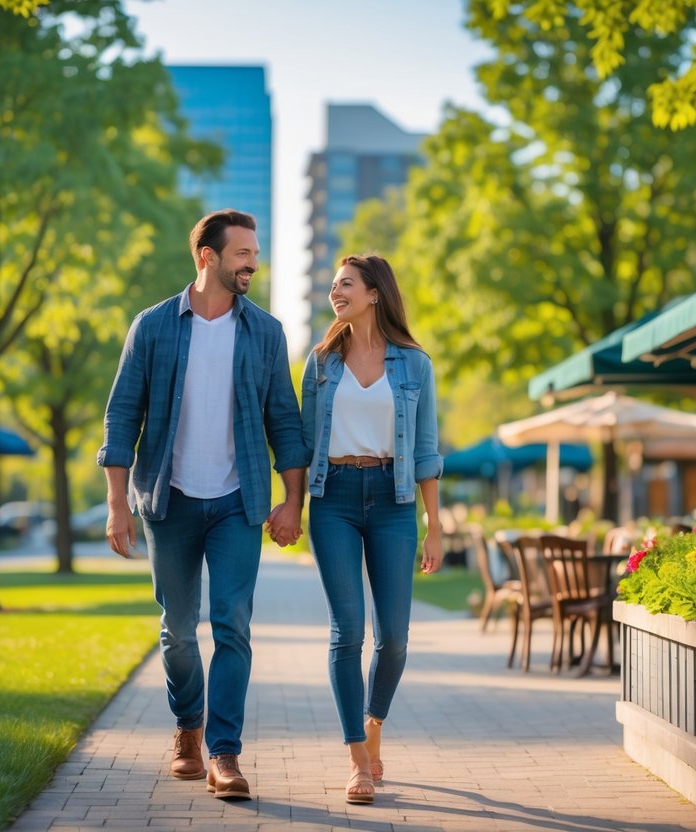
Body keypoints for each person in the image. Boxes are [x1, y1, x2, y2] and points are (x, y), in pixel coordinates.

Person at [98, 209, 308, 801]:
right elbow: (121, 414)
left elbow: (285, 422)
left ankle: (224, 753)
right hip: (170, 500)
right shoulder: (155, 326)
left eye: (256, 254)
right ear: (207, 257)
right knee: (178, 631)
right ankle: (187, 726)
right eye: (243, 253)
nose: (254, 263)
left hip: (239, 502)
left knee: (234, 628)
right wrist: (118, 504)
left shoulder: (265, 331)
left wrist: (293, 502)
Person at [298, 253, 443, 804]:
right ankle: (359, 759)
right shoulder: (321, 363)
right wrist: (291, 502)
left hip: (393, 498)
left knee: (396, 640)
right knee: (347, 632)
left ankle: (374, 722)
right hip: (333, 498)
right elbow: (304, 444)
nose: (336, 293)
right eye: (333, 286)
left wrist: (435, 524)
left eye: (346, 285)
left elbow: (427, 449)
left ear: (374, 293)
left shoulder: (414, 364)